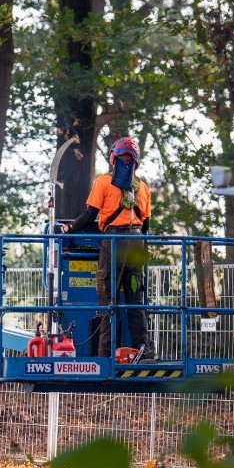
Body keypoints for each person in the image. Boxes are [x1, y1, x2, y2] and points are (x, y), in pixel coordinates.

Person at [59, 137, 154, 359]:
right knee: (135, 302)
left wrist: (70, 228)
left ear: (113, 158)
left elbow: (90, 215)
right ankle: (142, 351)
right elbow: (146, 225)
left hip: (112, 244)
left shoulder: (103, 183)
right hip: (136, 245)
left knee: (108, 302)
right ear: (136, 161)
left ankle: (105, 356)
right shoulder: (144, 188)